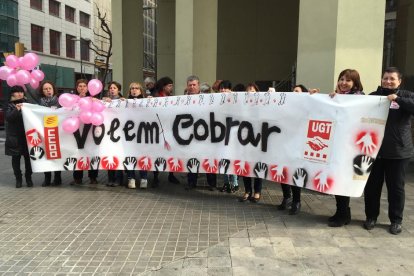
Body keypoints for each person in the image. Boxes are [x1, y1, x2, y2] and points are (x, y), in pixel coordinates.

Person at [363, 67, 414, 235]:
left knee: (396, 189)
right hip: (374, 151)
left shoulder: (406, 96)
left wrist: (398, 99)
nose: (388, 81)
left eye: (392, 78)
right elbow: (354, 107)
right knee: (372, 187)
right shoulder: (373, 96)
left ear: (399, 81)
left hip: (399, 152)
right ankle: (371, 217)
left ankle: (396, 221)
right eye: (385, 78)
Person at [326, 69, 364, 226]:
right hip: (335, 146)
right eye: (341, 79)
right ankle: (341, 212)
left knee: (343, 180)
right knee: (336, 179)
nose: (343, 83)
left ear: (355, 83)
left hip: (350, 148)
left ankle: (343, 214)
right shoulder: (337, 97)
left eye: (348, 80)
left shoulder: (360, 99)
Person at [185, 75, 217, 191]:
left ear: (198, 85)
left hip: (206, 134)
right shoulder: (181, 100)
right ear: (187, 86)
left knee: (208, 158)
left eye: (194, 85)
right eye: (190, 85)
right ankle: (191, 182)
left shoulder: (207, 99)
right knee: (192, 159)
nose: (192, 87)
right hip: (189, 136)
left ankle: (212, 183)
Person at [152, 76, 180, 186]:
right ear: (164, 87)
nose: (171, 88)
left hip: (170, 129)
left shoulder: (171, 97)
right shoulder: (155, 96)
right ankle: (155, 176)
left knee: (171, 152)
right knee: (157, 153)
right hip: (158, 129)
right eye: (169, 86)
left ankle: (171, 175)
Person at [5, 86, 33, 188]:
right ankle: (18, 179)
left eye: (21, 92)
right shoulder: (9, 105)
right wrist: (17, 109)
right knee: (15, 160)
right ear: (13, 94)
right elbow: (9, 118)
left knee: (28, 160)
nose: (20, 94)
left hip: (27, 137)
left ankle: (28, 178)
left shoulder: (28, 103)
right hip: (14, 138)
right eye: (18, 92)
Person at [239, 83, 263, 203]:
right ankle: (247, 191)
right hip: (244, 140)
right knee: (245, 166)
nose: (250, 93)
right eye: (247, 91)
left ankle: (257, 191)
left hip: (258, 140)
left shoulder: (262, 105)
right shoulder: (242, 106)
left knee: (258, 166)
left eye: (252, 91)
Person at [73, 79, 99, 184]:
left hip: (89, 131)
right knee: (78, 153)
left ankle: (93, 177)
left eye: (84, 86)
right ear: (77, 88)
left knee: (92, 152)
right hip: (77, 129)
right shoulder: (73, 99)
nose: (82, 88)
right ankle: (77, 178)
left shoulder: (93, 99)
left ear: (88, 88)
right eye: (80, 86)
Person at [125, 82, 149, 189]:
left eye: (137, 88)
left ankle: (144, 178)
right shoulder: (124, 102)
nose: (134, 90)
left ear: (141, 90)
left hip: (142, 135)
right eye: (132, 88)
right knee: (130, 156)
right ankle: (131, 178)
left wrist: (152, 101)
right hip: (129, 135)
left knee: (142, 155)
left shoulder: (146, 101)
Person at [38, 81, 62, 186]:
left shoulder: (59, 101)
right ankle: (47, 178)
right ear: (42, 91)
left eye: (49, 88)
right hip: (44, 131)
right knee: (46, 155)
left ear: (53, 89)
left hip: (57, 131)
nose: (48, 90)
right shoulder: (39, 101)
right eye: (45, 89)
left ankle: (58, 178)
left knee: (56, 154)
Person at [218, 80, 239, 193]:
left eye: (225, 88)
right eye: (221, 88)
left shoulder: (236, 101)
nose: (223, 90)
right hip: (220, 136)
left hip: (234, 136)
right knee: (223, 160)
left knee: (232, 159)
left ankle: (235, 182)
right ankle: (226, 183)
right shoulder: (217, 101)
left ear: (231, 90)